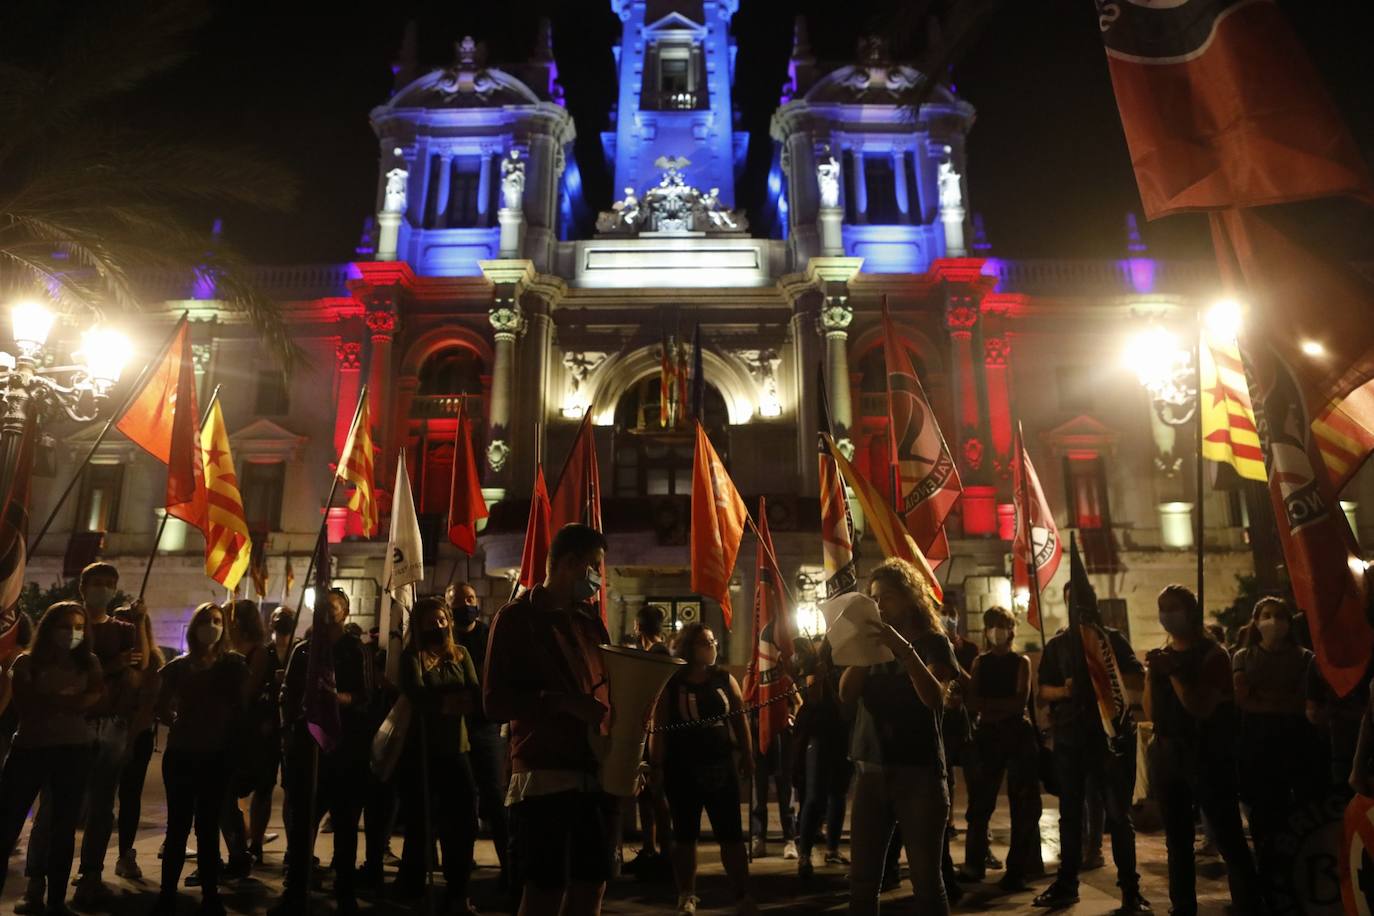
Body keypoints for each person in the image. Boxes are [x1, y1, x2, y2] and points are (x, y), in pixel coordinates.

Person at [483, 523, 614, 916]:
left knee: (592, 885)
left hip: (594, 775)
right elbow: (494, 703)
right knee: (545, 890)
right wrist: (561, 704)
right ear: (569, 563)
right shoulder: (516, 619)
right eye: (593, 567)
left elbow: (609, 688)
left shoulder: (590, 623)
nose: (596, 578)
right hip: (541, 779)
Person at [839, 558, 959, 916]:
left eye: (887, 598)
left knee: (925, 880)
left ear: (909, 599)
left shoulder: (933, 642)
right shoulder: (868, 645)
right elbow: (846, 695)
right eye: (874, 599)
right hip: (870, 771)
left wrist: (904, 650)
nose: (879, 606)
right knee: (862, 880)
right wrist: (861, 649)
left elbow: (935, 698)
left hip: (918, 773)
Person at [1033, 571, 1150, 913]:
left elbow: (1134, 679)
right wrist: (1065, 690)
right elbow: (1043, 692)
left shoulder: (1112, 639)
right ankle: (1066, 884)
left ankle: (1130, 889)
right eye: (1073, 601)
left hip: (1109, 742)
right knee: (1069, 815)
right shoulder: (1056, 645)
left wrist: (1103, 673)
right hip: (1070, 741)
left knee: (1118, 815)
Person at [1143, 585, 1262, 916]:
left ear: (1190, 612)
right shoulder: (1164, 658)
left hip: (1205, 754)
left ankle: (1247, 904)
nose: (1167, 614)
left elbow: (1200, 707)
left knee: (1227, 835)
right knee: (1177, 841)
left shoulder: (1214, 655)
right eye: (1162, 607)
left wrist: (1175, 674)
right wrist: (1155, 675)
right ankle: (1182, 906)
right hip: (1166, 754)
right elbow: (1152, 712)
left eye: (1173, 607)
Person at [271, 588, 370, 916]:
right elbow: (288, 696)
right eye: (323, 607)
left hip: (344, 754)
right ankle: (295, 892)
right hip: (307, 752)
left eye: (334, 607)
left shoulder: (355, 650)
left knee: (344, 827)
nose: (328, 613)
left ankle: (345, 894)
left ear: (345, 611)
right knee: (302, 828)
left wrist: (336, 699)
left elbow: (363, 697)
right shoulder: (303, 650)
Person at [0, 602, 102, 914]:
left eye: (78, 627)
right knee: (6, 825)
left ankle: (56, 901)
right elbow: (28, 703)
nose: (72, 633)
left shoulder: (89, 663)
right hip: (30, 749)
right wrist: (68, 699)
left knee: (63, 827)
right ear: (49, 628)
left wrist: (58, 699)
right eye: (65, 626)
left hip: (73, 751)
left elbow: (94, 699)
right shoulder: (27, 661)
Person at [650, 623, 757, 916]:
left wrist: (747, 754)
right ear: (690, 647)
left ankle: (742, 894)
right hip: (682, 769)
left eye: (712, 642)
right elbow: (658, 726)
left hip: (720, 767)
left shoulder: (723, 678)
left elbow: (739, 717)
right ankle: (686, 894)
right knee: (685, 835)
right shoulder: (672, 682)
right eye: (704, 642)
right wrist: (655, 763)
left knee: (731, 835)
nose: (711, 647)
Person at [150, 602, 249, 916]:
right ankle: (167, 894)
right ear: (194, 627)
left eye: (218, 620)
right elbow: (159, 705)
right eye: (207, 620)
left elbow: (242, 707)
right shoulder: (178, 667)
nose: (213, 625)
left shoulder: (233, 665)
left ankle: (210, 895)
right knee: (177, 827)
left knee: (207, 828)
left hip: (215, 756)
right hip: (181, 755)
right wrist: (175, 719)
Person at [61, 563, 150, 907]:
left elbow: (139, 669)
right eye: (96, 583)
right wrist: (113, 667)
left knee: (101, 806)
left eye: (109, 584)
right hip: (75, 722)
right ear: (83, 587)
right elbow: (74, 670)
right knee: (64, 802)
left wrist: (141, 621)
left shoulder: (124, 628)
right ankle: (50, 874)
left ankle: (90, 873)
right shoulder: (72, 624)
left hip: (112, 724)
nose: (102, 589)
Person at [395, 595, 480, 913]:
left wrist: (443, 700)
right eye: (432, 623)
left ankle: (458, 894)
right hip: (422, 753)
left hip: (457, 750)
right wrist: (444, 700)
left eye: (442, 621)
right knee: (421, 826)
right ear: (419, 627)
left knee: (462, 825)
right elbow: (419, 696)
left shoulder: (461, 654)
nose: (439, 626)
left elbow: (473, 693)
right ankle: (415, 889)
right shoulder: (412, 658)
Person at [960, 606, 1042, 892]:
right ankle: (973, 865)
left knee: (1023, 805)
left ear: (1011, 630)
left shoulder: (1021, 662)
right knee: (980, 804)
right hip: (989, 739)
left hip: (1017, 737)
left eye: (1002, 625)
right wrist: (998, 707)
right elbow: (972, 702)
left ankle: (1018, 870)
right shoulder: (980, 663)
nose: (996, 631)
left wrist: (989, 706)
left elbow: (1018, 703)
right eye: (992, 625)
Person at [1233, 596, 1322, 849]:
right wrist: (1281, 700)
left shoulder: (1305, 658)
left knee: (1298, 811)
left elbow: (1303, 698)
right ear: (1256, 622)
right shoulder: (1243, 656)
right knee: (1262, 811)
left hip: (1295, 741)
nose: (1274, 621)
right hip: (1257, 742)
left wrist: (1262, 697)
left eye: (1280, 615)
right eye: (1267, 615)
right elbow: (1243, 699)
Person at [448, 580, 511, 889]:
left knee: (495, 798)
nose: (467, 605)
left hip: (485, 728)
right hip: (453, 729)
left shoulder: (490, 636)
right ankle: (460, 869)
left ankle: (510, 869)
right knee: (460, 802)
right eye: (460, 601)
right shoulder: (444, 638)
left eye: (470, 598)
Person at [113, 606, 164, 882]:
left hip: (137, 736)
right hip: (108, 732)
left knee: (129, 797)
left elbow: (147, 706)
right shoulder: (109, 657)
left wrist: (129, 742)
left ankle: (125, 853)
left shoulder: (153, 660)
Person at [793, 638, 852, 879]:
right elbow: (814, 698)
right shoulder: (813, 664)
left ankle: (832, 849)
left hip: (842, 734)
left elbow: (848, 702)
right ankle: (804, 853)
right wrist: (818, 676)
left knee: (838, 793)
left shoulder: (848, 665)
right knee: (815, 795)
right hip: (818, 733)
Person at [626, 603, 672, 878]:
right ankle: (650, 849)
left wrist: (655, 750)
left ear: (638, 627)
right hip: (648, 732)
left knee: (657, 796)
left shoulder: (657, 654)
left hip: (656, 734)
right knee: (646, 795)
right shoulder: (653, 652)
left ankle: (664, 854)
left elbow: (657, 701)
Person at [248, 607, 295, 863]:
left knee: (292, 791)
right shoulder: (264, 653)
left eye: (286, 616)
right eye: (278, 617)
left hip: (290, 730)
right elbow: (252, 691)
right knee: (263, 788)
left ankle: (292, 847)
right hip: (267, 731)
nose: (282, 621)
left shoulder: (300, 651)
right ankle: (255, 843)